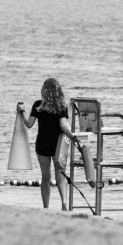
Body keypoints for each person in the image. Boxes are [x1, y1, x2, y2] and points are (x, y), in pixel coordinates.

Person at [17, 78, 76, 210]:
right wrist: (72, 136)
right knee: (60, 176)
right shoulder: (62, 106)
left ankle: (46, 207)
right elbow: (63, 125)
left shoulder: (38, 105)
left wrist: (22, 110)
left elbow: (28, 124)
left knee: (45, 177)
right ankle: (64, 203)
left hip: (42, 145)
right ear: (58, 91)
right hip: (58, 146)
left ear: (44, 90)